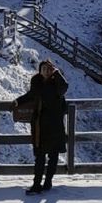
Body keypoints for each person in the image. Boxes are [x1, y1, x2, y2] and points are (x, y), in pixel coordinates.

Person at [16, 59, 69, 194]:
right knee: (39, 156)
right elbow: (30, 95)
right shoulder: (37, 83)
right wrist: (17, 101)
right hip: (40, 126)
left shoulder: (57, 83)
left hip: (55, 125)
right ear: (39, 71)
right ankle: (36, 184)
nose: (46, 71)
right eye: (43, 68)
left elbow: (64, 87)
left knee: (53, 156)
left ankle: (48, 182)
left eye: (48, 69)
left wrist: (56, 73)